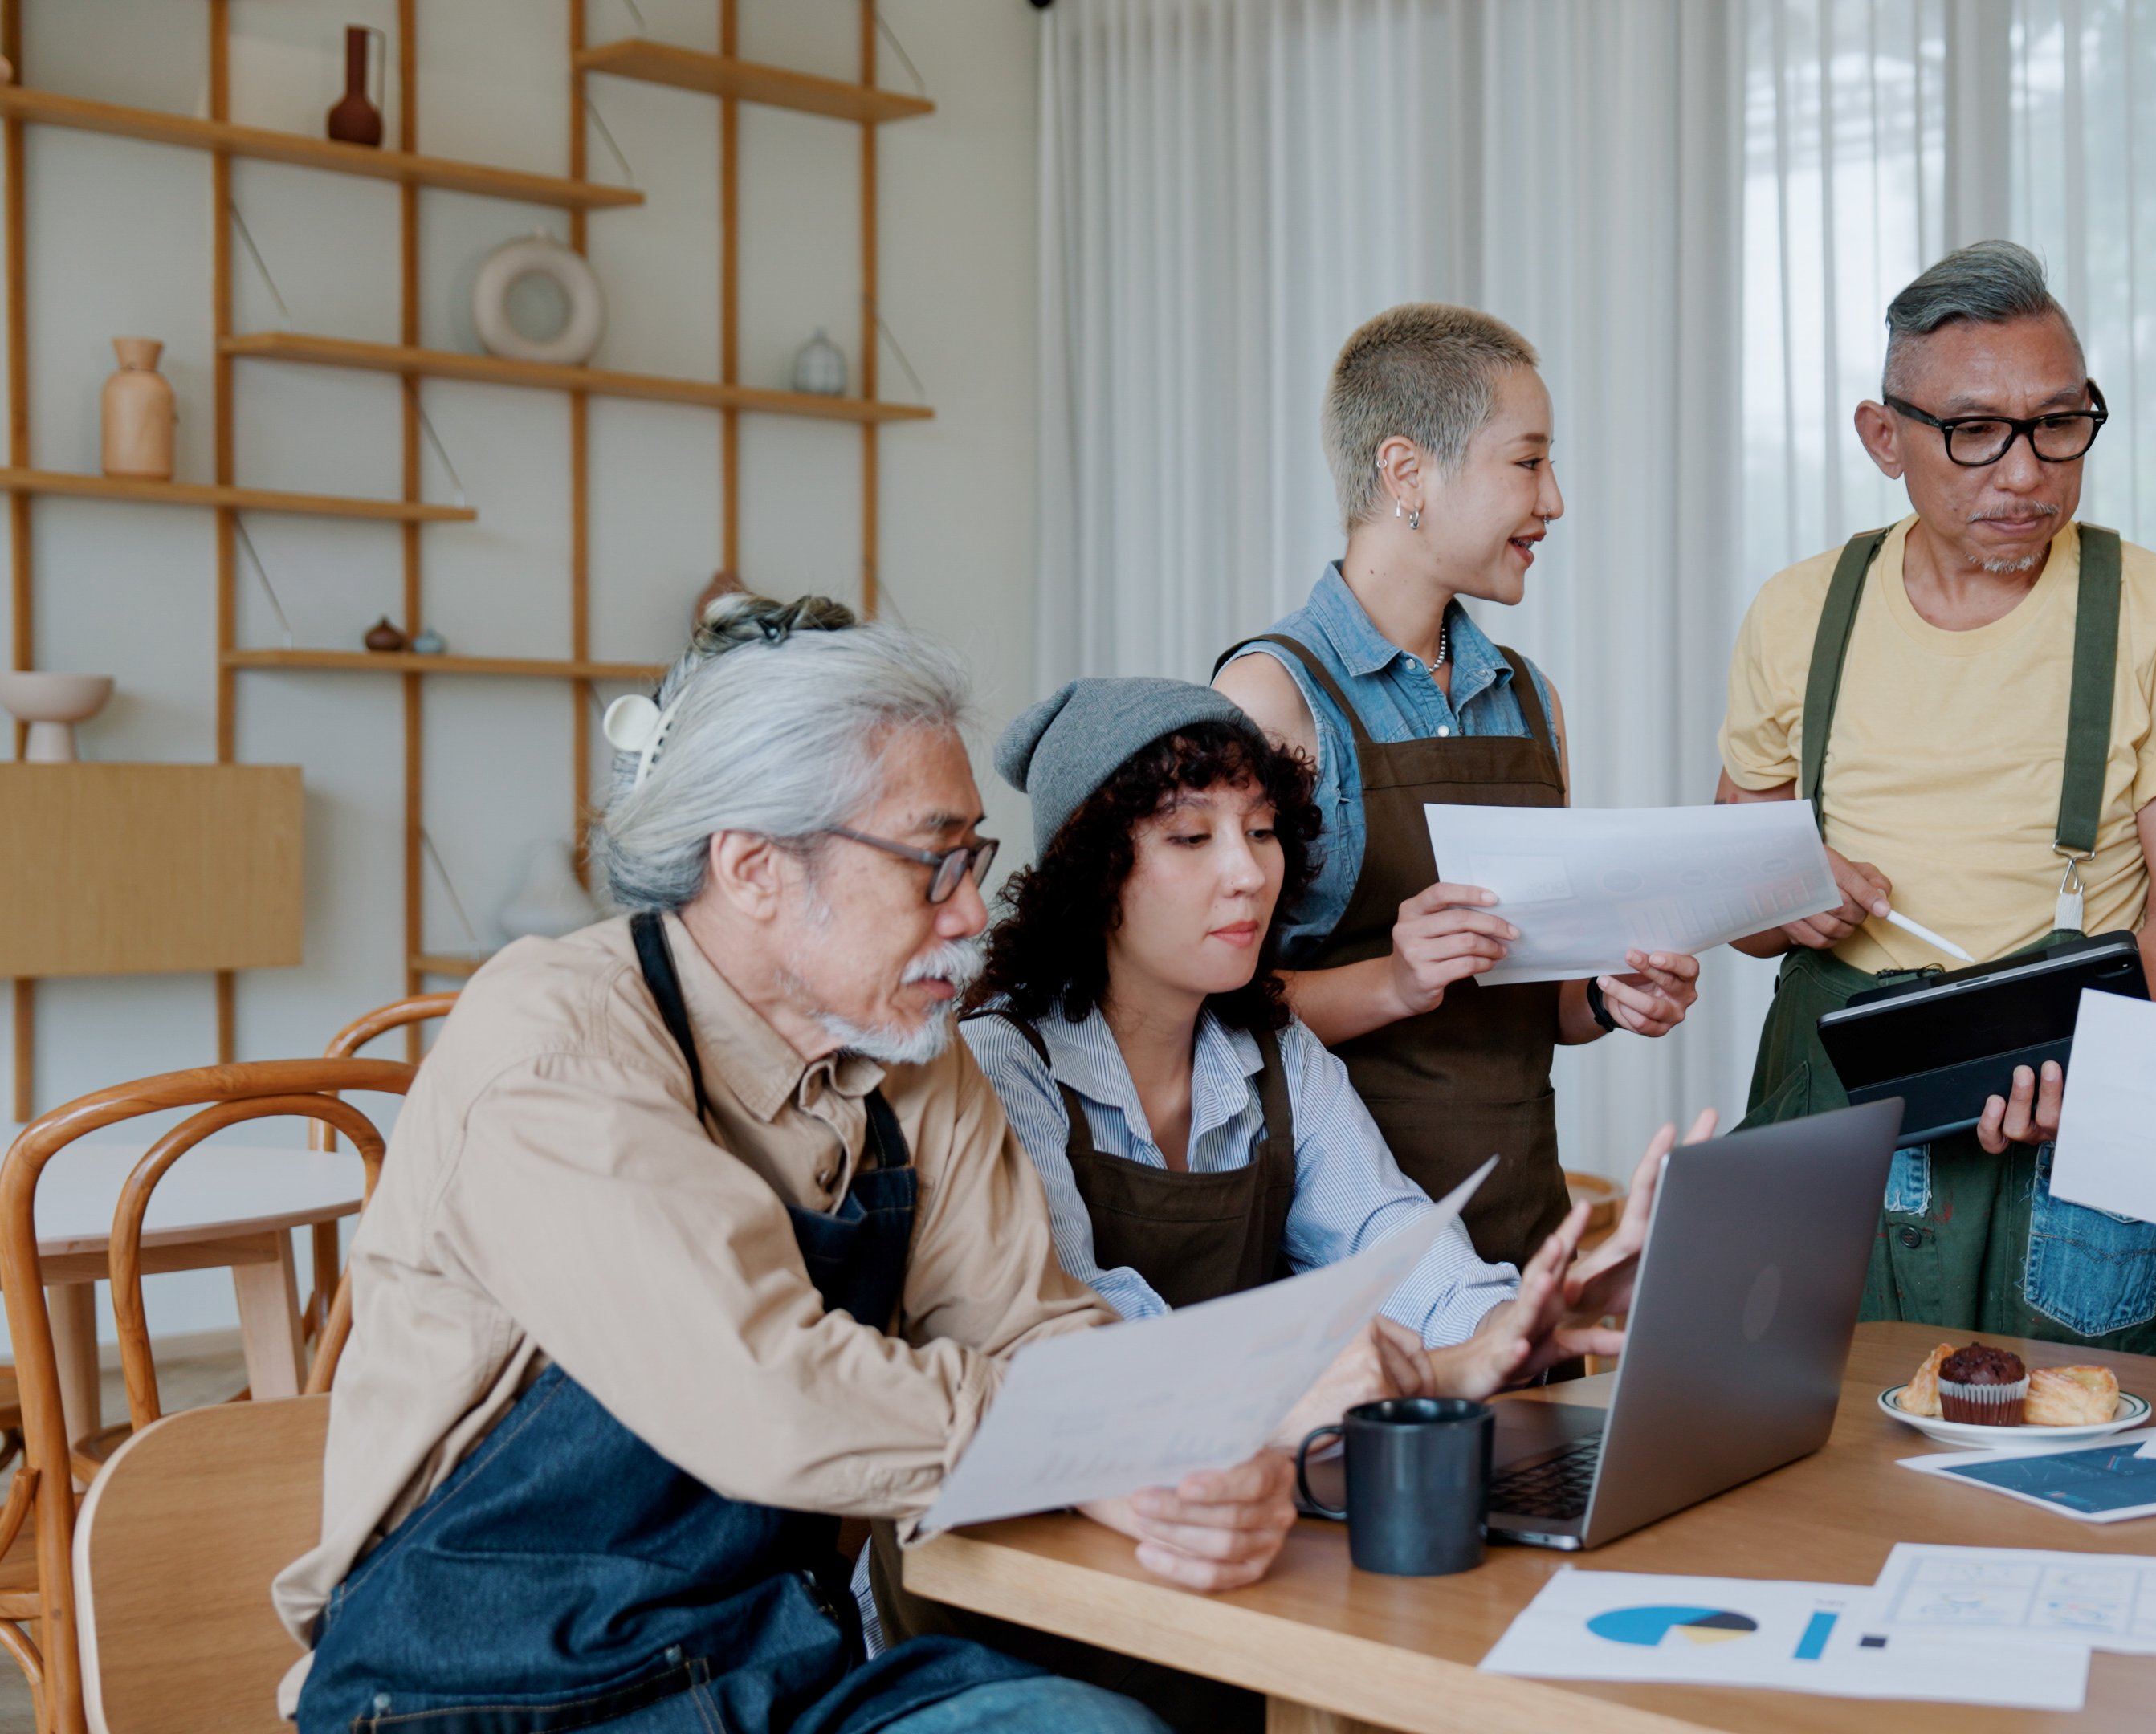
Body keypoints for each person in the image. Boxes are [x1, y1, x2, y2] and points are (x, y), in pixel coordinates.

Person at [275, 598, 1321, 1734]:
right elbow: (768, 1393)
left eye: (973, 855)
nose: (971, 912)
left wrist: (1160, 1445)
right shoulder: (557, 1044)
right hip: (489, 1690)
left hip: (771, 1661)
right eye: (931, 863)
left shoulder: (909, 1046)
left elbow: (1025, 1325)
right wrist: (1078, 1441)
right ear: (754, 868)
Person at [1717, 240, 2156, 1356]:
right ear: (1886, 438)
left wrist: (2089, 1076)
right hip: (1840, 1089)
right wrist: (1791, 896)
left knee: (2068, 1445)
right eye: (1977, 433)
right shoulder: (1799, 613)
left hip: (2068, 1092)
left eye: (2060, 425)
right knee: (1820, 1468)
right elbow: (1737, 891)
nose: (2026, 473)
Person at [959, 677, 1711, 1374]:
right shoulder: (1002, 1061)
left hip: (1244, 1473)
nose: (1249, 873)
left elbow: (1388, 1240)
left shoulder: (1278, 1049)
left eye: (1260, 831)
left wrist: (1524, 1316)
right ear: (1089, 876)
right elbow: (1077, 1324)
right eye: (1192, 839)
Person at [1214, 303, 1703, 1268]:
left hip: (1522, 1218)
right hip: (1341, 1245)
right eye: (1528, 462)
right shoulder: (1271, 696)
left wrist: (1611, 995)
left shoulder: (1529, 700)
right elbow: (1211, 1012)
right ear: (1407, 474)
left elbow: (1541, 1004)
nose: (1554, 499)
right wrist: (1396, 982)